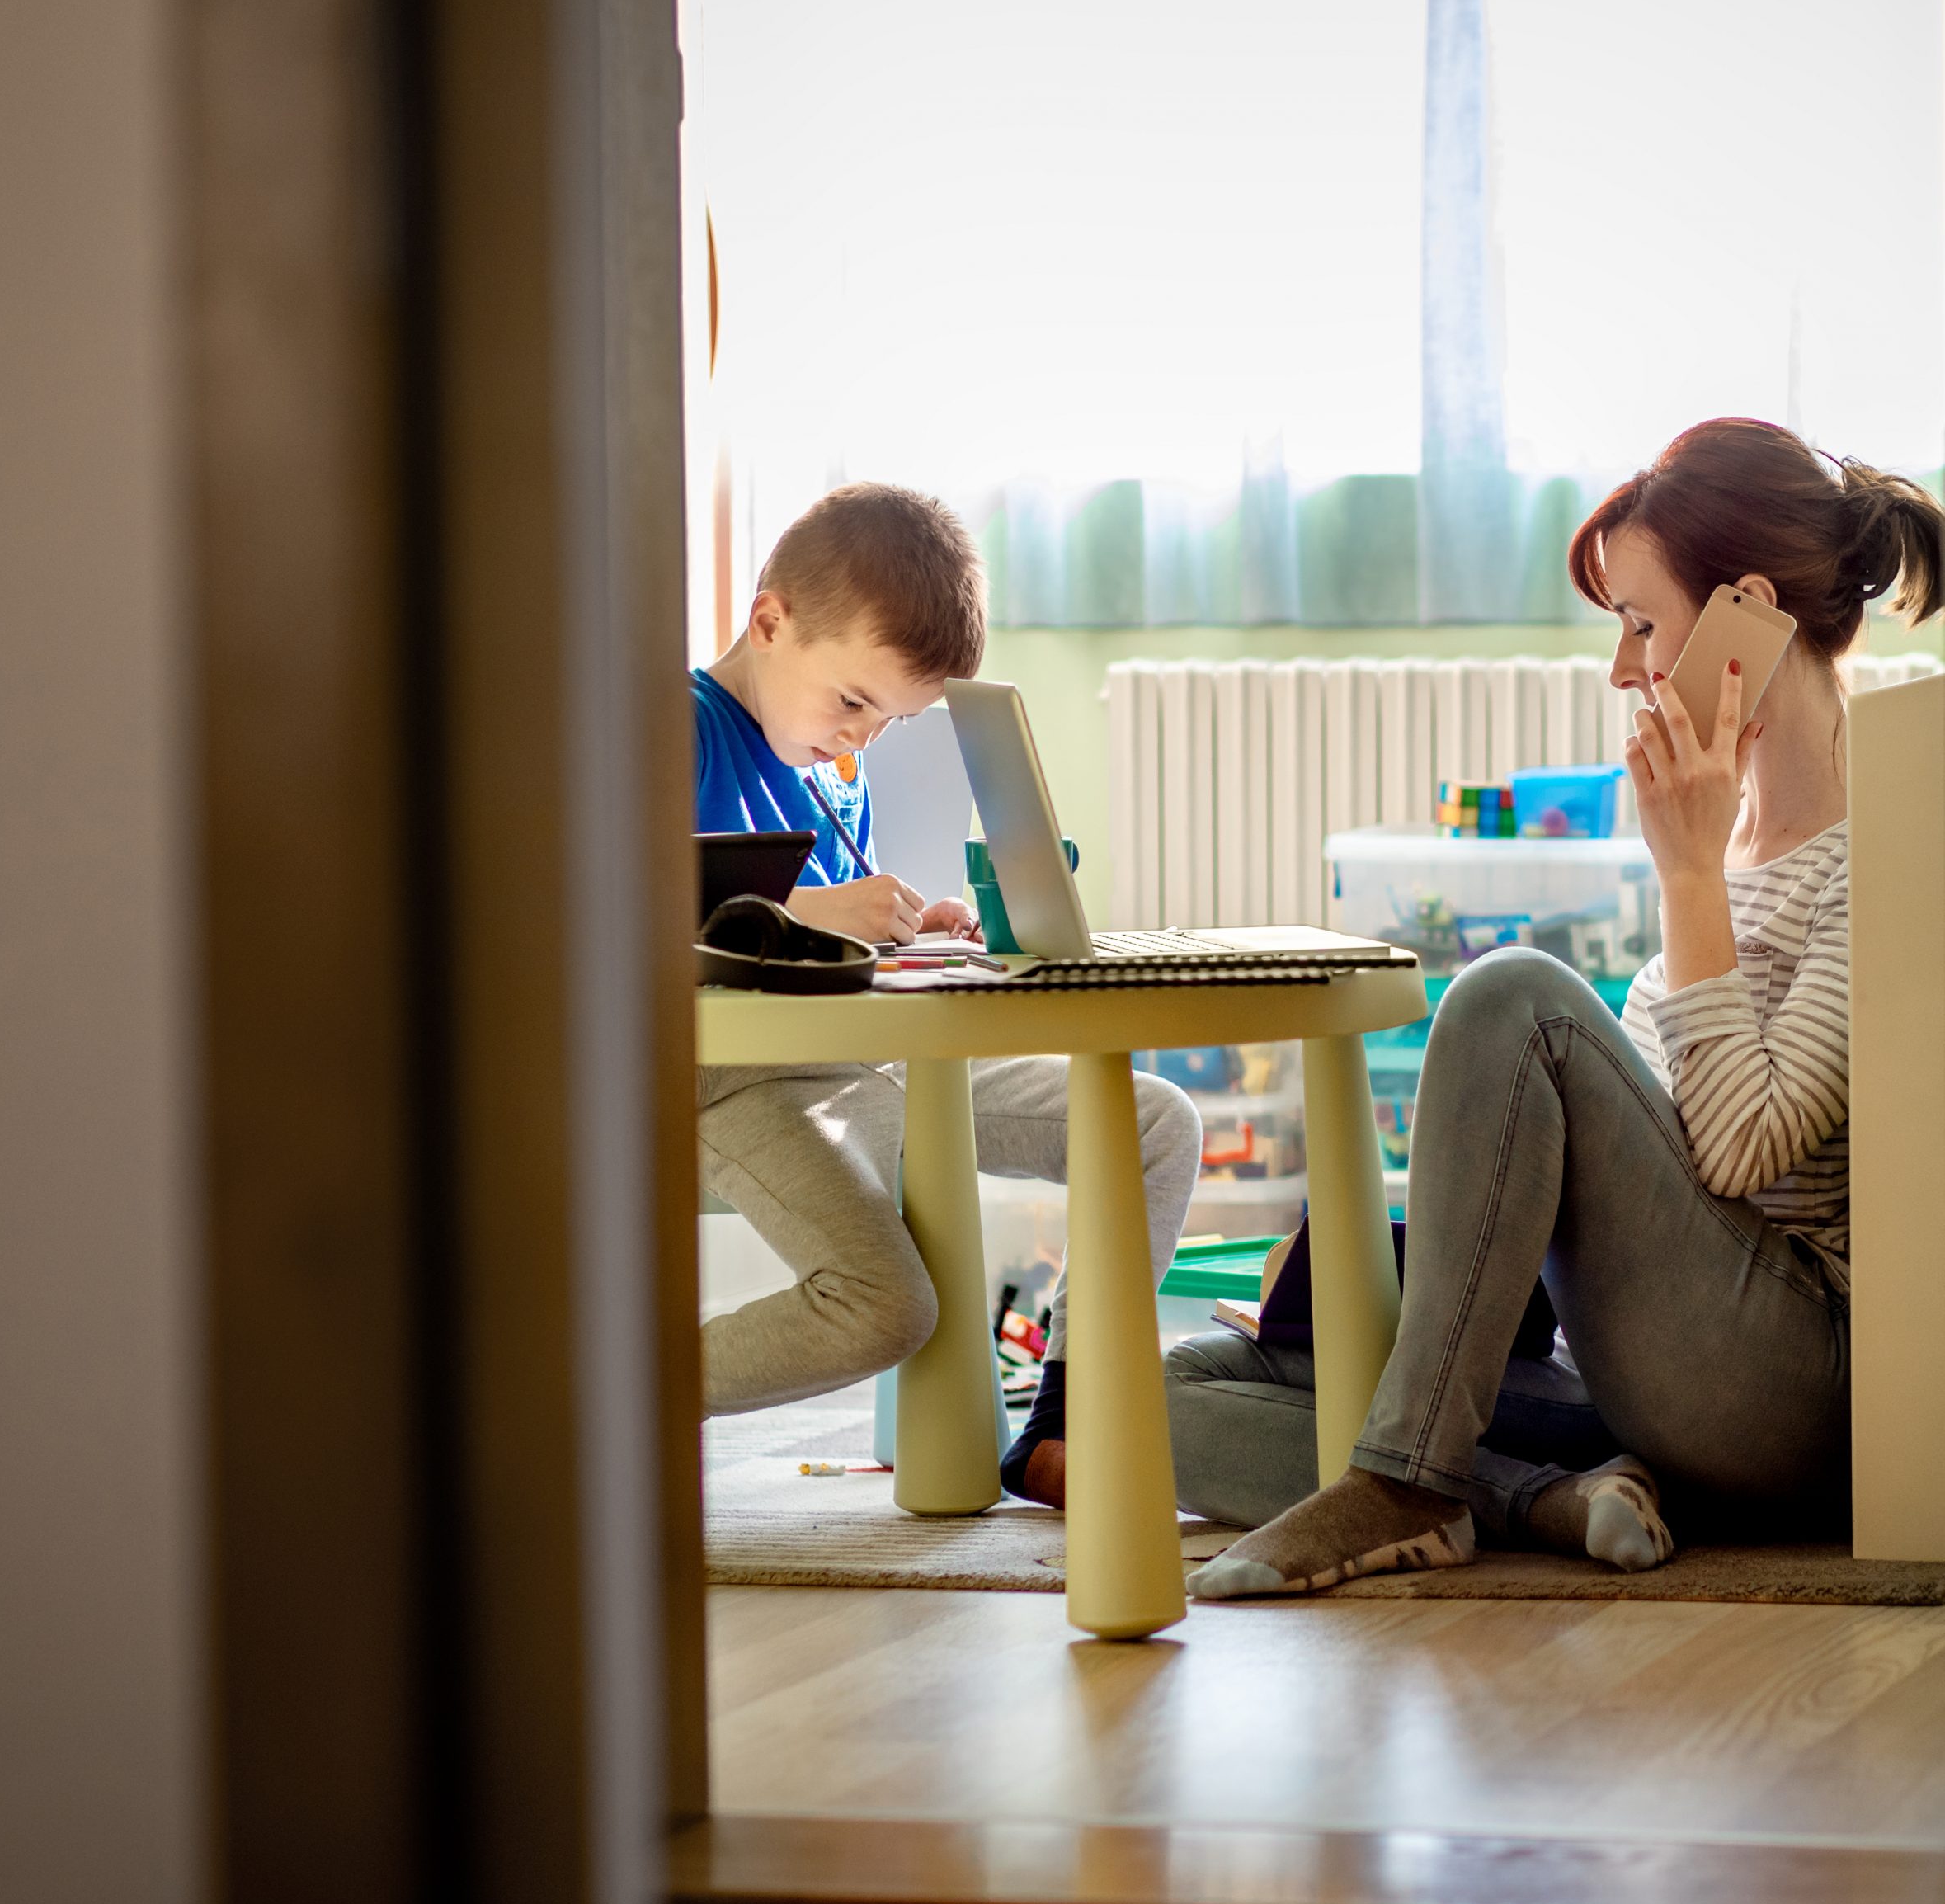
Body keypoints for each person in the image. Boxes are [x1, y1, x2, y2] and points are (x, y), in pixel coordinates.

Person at [1175, 417, 1942, 1596]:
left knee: (1513, 996)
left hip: (1784, 1388)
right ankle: (1536, 1500)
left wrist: (1686, 872)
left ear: (1751, 612)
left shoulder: (1888, 846)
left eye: (1643, 623)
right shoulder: (1724, 843)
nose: (1626, 668)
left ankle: (1412, 1486)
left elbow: (1736, 1156)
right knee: (1159, 1389)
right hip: (1626, 1370)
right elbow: (1640, 1170)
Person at [695, 481, 1202, 1504]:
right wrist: (824, 914)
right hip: (730, 1081)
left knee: (1156, 1123)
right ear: (768, 621)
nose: (860, 741)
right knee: (887, 1307)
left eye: (892, 720)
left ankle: (1061, 1427)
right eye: (851, 702)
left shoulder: (836, 767)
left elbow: (837, 950)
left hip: (860, 1059)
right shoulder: (684, 730)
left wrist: (906, 935)